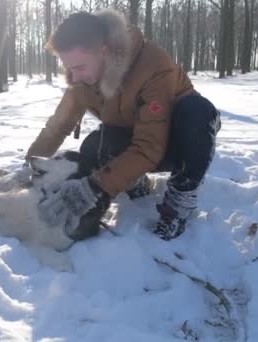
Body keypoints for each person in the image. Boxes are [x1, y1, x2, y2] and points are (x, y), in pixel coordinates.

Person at [27, 9, 221, 241]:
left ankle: (179, 202)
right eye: (69, 68)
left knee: (198, 112)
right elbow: (58, 126)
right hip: (138, 134)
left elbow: (150, 145)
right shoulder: (81, 78)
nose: (74, 77)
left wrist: (96, 186)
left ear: (104, 52)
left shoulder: (153, 65)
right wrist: (27, 167)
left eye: (79, 67)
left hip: (179, 141)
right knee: (94, 145)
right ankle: (135, 182)